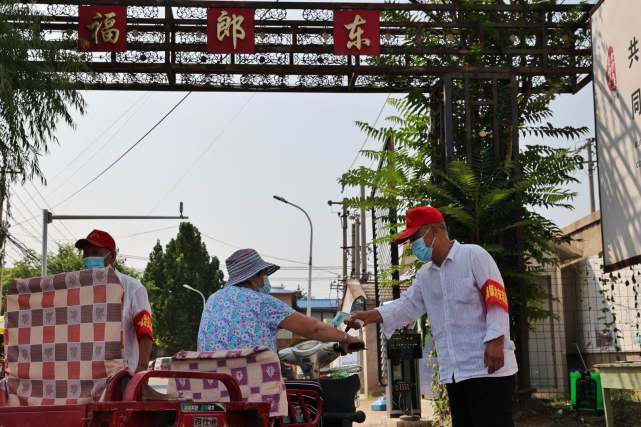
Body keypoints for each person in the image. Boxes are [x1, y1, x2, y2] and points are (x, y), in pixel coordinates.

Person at [346, 206, 517, 427]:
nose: (412, 246)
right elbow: (407, 305)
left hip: (488, 368)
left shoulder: (473, 255)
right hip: (455, 372)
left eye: (415, 238)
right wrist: (370, 315)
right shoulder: (425, 275)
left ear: (434, 230)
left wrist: (496, 340)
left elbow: (496, 297)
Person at [198, 248, 362, 355]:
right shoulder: (262, 302)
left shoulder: (213, 299)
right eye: (263, 274)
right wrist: (346, 338)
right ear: (254, 277)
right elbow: (314, 329)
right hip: (250, 385)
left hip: (213, 384)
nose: (265, 279)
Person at [75, 229, 153, 373]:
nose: (89, 257)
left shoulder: (133, 288)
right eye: (86, 253)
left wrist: (141, 370)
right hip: (85, 377)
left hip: (122, 375)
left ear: (112, 256)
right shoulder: (77, 289)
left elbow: (145, 331)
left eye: (96, 252)